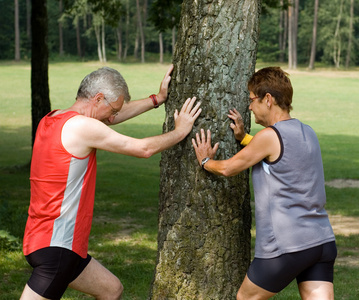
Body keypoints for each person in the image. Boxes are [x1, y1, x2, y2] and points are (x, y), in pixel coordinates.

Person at [21, 65, 201, 300]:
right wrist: (180, 131)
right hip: (57, 248)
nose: (112, 117)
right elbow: (143, 149)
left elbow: (110, 119)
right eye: (112, 109)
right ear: (98, 98)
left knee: (110, 289)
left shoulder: (52, 118)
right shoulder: (82, 127)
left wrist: (157, 99)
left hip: (47, 241)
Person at [192, 67, 336, 300]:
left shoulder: (269, 136)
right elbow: (279, 155)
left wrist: (206, 161)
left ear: (267, 99)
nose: (249, 107)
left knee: (246, 298)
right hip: (321, 241)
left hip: (287, 245)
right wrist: (243, 138)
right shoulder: (307, 132)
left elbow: (228, 168)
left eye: (251, 99)